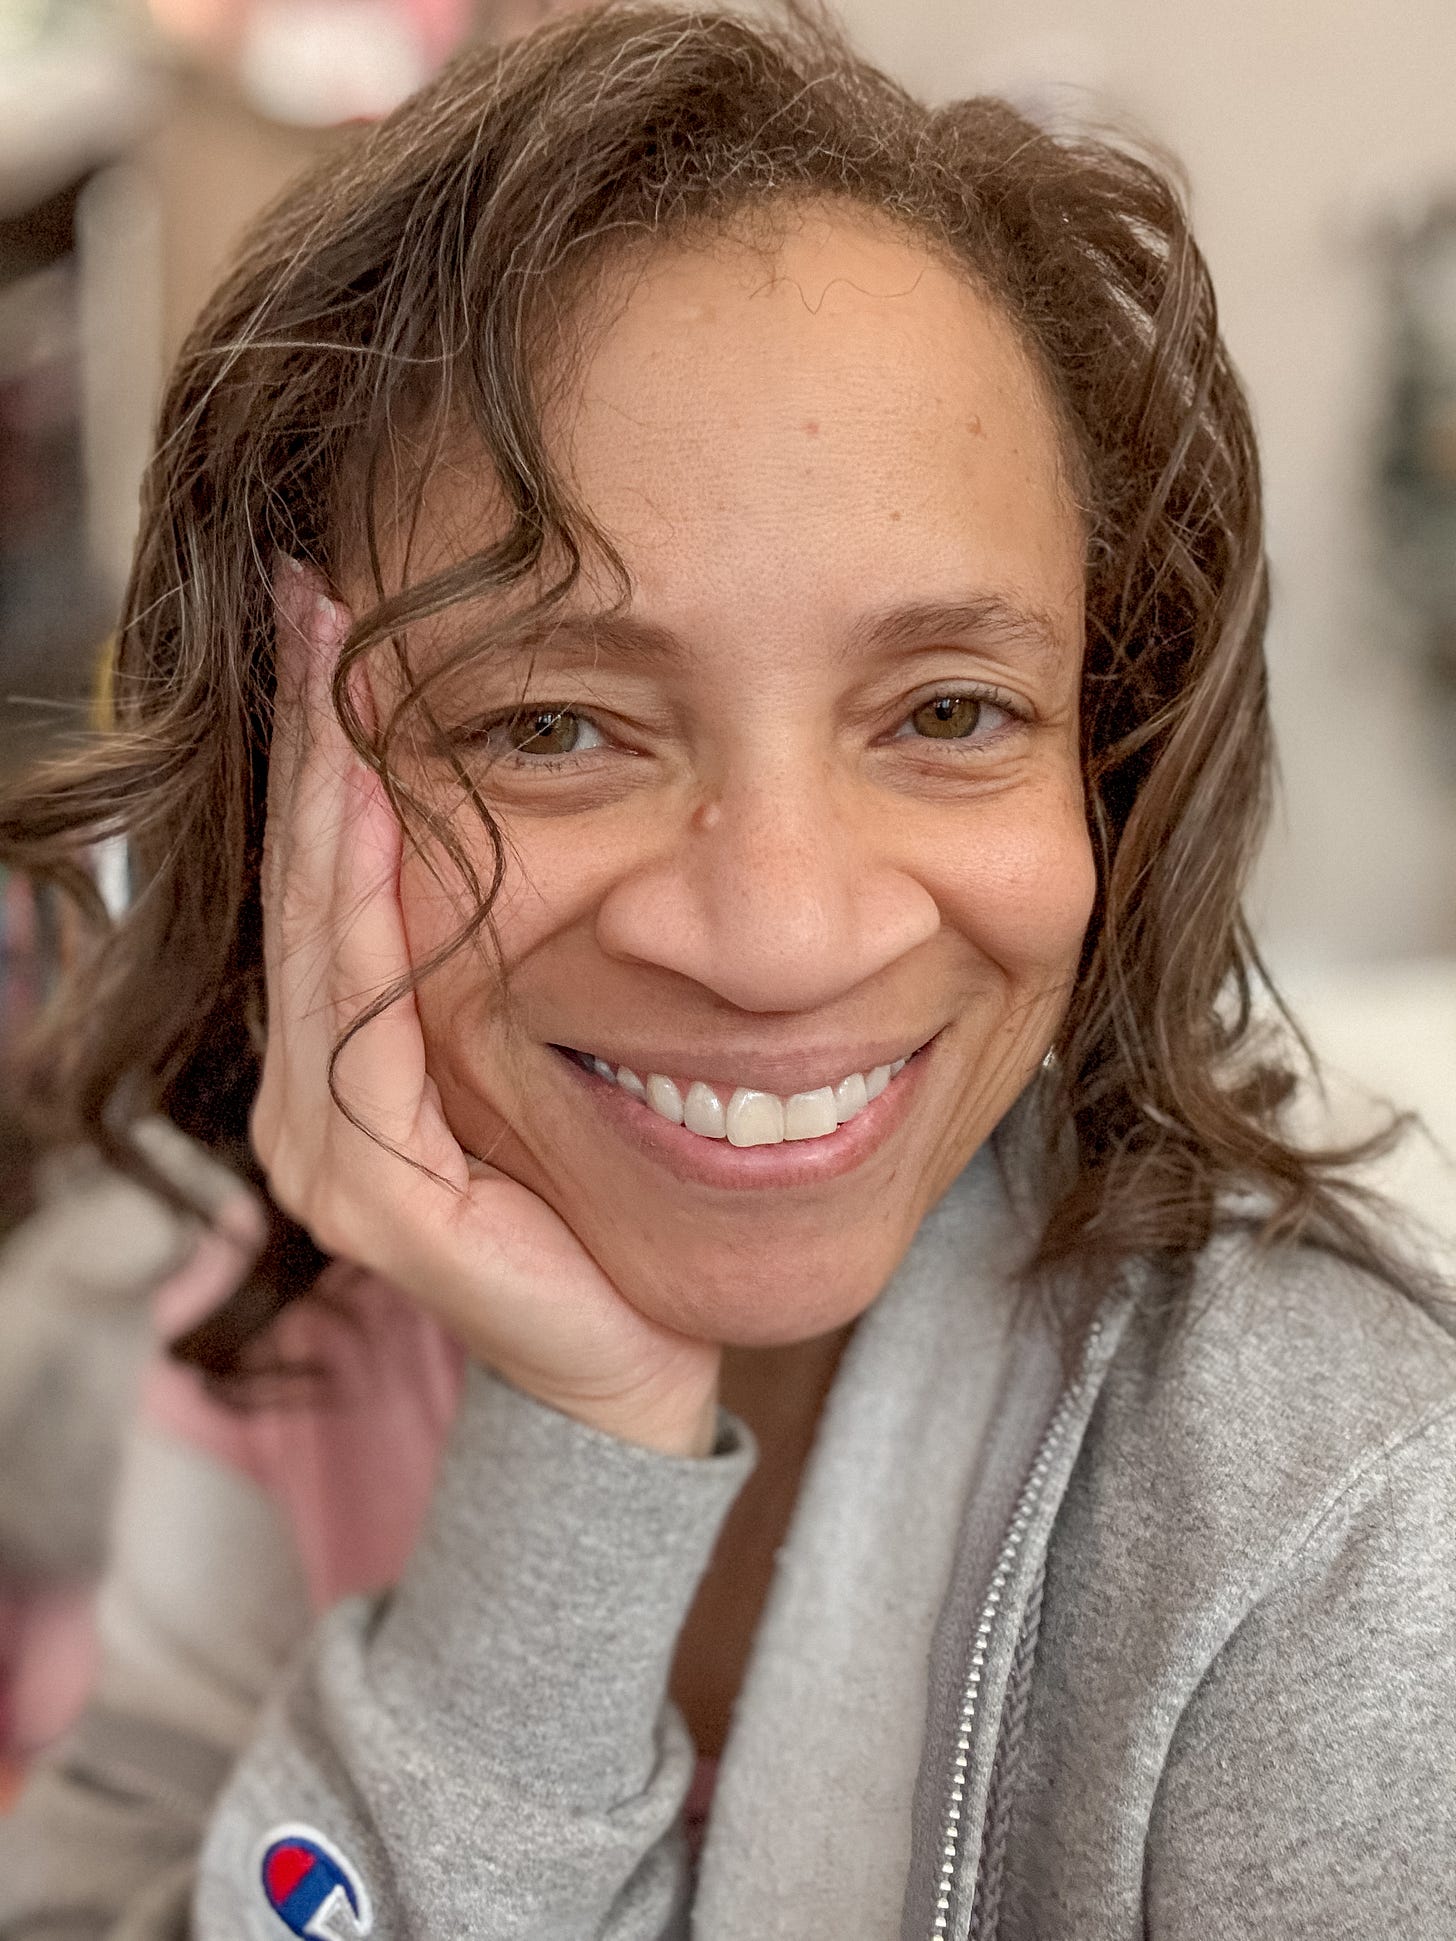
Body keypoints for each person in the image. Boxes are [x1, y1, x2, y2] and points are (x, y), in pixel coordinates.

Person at [1, 6, 1453, 1935]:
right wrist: (573, 1460)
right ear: (282, 788)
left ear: (1107, 765)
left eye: (948, 710)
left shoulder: (1350, 1529)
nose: (779, 937)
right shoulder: (292, 1324)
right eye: (553, 726)